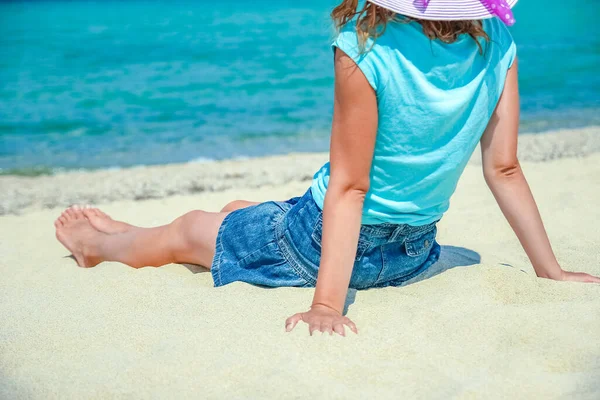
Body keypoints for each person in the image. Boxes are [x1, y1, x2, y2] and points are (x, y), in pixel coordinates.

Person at [54, 0, 600, 336]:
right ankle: (166, 226)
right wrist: (549, 272)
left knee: (189, 229)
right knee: (246, 213)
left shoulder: (364, 47)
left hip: (321, 244)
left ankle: (100, 246)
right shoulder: (499, 42)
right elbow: (503, 169)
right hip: (413, 252)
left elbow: (351, 186)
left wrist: (325, 305)